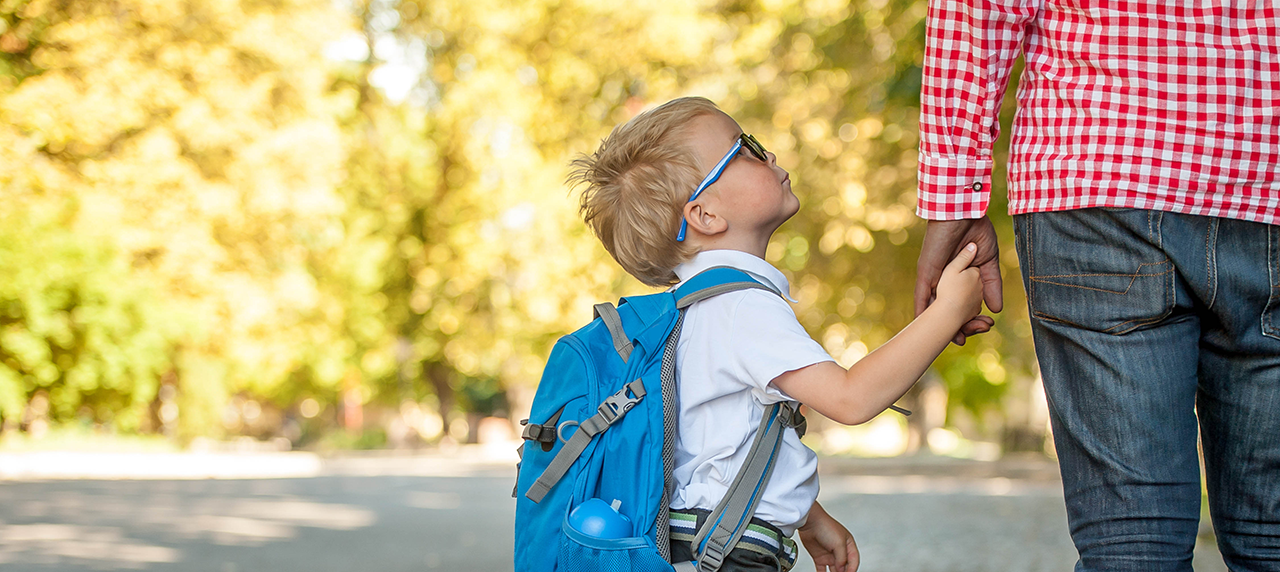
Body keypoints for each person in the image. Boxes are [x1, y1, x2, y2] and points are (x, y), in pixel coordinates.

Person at [913, 1, 1280, 570]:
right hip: (1263, 172)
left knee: (1131, 540)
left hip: (1098, 169)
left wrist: (954, 199)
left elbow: (977, 12)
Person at [571, 96, 984, 572]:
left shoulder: (696, 310)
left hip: (708, 541)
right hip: (731, 557)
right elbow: (851, 399)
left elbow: (724, 447)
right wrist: (948, 310)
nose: (766, 154)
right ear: (704, 215)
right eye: (743, 148)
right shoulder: (740, 307)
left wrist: (810, 518)